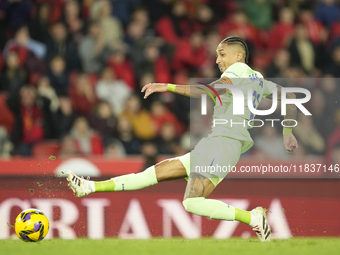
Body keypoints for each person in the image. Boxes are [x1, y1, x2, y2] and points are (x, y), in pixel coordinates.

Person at [67, 37, 299, 242]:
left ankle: (253, 218)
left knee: (192, 202)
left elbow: (208, 90)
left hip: (224, 143)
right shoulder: (260, 82)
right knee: (150, 175)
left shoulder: (237, 70)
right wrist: (287, 133)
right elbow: (289, 97)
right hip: (216, 143)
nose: (217, 59)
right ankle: (90, 187)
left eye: (222, 53)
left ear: (239, 56)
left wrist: (166, 86)